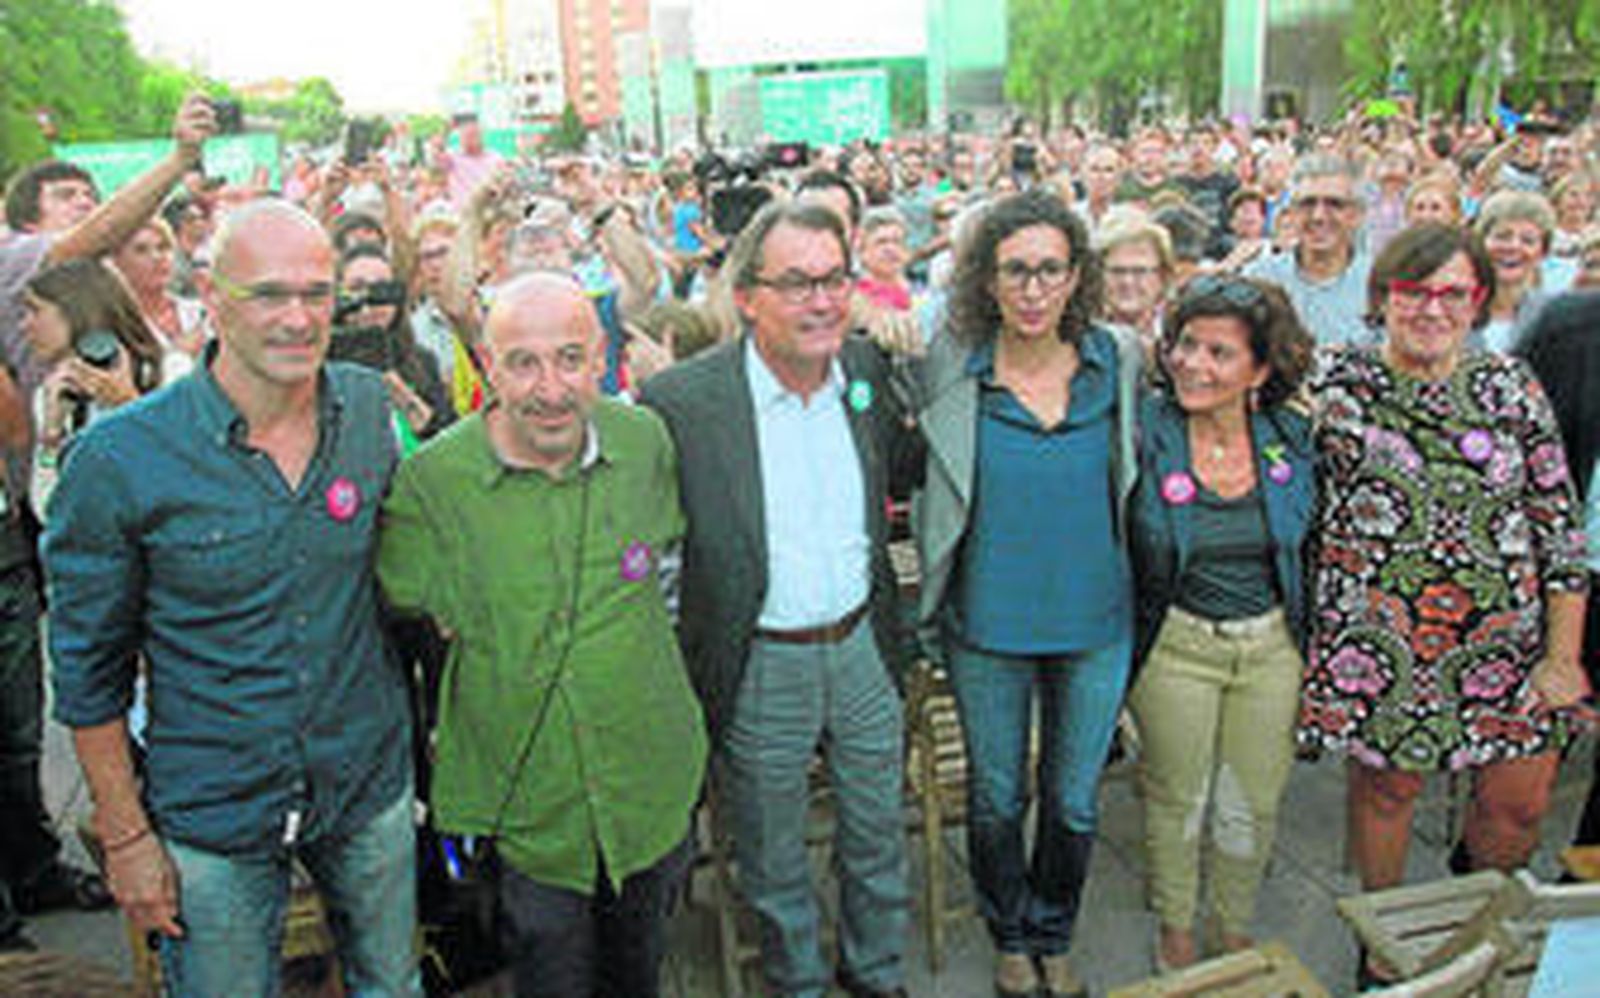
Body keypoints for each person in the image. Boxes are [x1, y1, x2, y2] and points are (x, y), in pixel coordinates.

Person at [43, 200, 419, 996]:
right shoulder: (119, 458)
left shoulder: (364, 412)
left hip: (366, 780)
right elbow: (86, 671)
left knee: (393, 985)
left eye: (316, 294)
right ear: (213, 298)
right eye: (269, 294)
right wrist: (125, 836)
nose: (297, 318)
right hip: (214, 803)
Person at [378, 273, 706, 998]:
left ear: (603, 361)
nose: (550, 388)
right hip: (526, 810)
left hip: (649, 786)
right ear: (488, 369)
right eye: (523, 363)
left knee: (638, 975)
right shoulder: (433, 484)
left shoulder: (646, 442)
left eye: (569, 358)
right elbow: (403, 599)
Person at [1298, 223, 1591, 985]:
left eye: (1452, 292)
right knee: (1390, 790)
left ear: (1479, 301)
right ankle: (1380, 949)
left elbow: (1559, 529)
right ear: (1383, 297)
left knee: (1519, 806)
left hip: (1508, 644)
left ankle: (1474, 930)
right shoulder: (1331, 383)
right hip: (1382, 641)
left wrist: (1563, 657)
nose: (1432, 309)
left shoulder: (1512, 386)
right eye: (1413, 291)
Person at [640, 201, 915, 998]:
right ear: (747, 295)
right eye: (796, 283)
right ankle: (795, 984)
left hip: (863, 648)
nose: (821, 301)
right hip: (761, 663)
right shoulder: (686, 404)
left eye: (833, 279)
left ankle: (874, 977)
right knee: (771, 856)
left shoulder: (864, 372)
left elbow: (904, 470)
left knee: (877, 837)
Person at [0, 92, 216, 954]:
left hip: (118, 568)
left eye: (96, 199)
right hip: (54, 553)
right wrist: (172, 160)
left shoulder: (140, 365)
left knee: (45, 725)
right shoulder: (25, 283)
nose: (87, 216)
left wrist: (122, 410)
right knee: (90, 707)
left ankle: (62, 860)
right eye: (69, 202)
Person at [916, 189, 1141, 998]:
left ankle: (1056, 930)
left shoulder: (1117, 356)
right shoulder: (949, 361)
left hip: (1096, 624)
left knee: (1074, 800)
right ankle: (1009, 933)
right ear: (986, 280)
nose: (1034, 289)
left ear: (1077, 275)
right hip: (987, 627)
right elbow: (869, 370)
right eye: (1016, 271)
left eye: (1050, 269)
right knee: (996, 796)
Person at [1125, 276, 1315, 972]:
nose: (1193, 365)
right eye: (1184, 345)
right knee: (1180, 796)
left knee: (1252, 801)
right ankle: (1176, 925)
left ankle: (1231, 925)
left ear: (1260, 370)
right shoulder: (1144, 427)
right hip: (1176, 645)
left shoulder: (1290, 437)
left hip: (1270, 649)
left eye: (1219, 353)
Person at [1513, 291, 1600, 855]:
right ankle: (1483, 908)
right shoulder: (1571, 327)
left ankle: (1580, 926)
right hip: (1556, 585)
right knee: (1516, 799)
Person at [19, 259, 163, 511]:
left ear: (76, 311)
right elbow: (47, 508)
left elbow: (189, 476)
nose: (24, 325)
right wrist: (52, 437)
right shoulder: (53, 393)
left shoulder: (171, 373)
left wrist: (128, 404)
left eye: (35, 310)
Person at [1244, 154, 1374, 347]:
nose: (1318, 216)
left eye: (1334, 204)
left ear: (1356, 215)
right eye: (1307, 204)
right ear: (1292, 213)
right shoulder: (1260, 278)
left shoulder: (1379, 282)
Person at [1471, 189, 1566, 353]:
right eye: (1502, 236)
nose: (1513, 246)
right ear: (1481, 243)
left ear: (1543, 252)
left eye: (1527, 240)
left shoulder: (1554, 316)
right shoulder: (1453, 309)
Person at [110, 219, 206, 382]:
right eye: (141, 250)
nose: (157, 257)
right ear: (117, 263)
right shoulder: (118, 328)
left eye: (163, 247)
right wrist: (180, 354)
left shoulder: (200, 311)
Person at [1097, 217, 1175, 357]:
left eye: (1140, 271)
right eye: (1117, 271)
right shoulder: (1082, 337)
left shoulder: (1177, 337)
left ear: (1163, 276)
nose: (1127, 281)